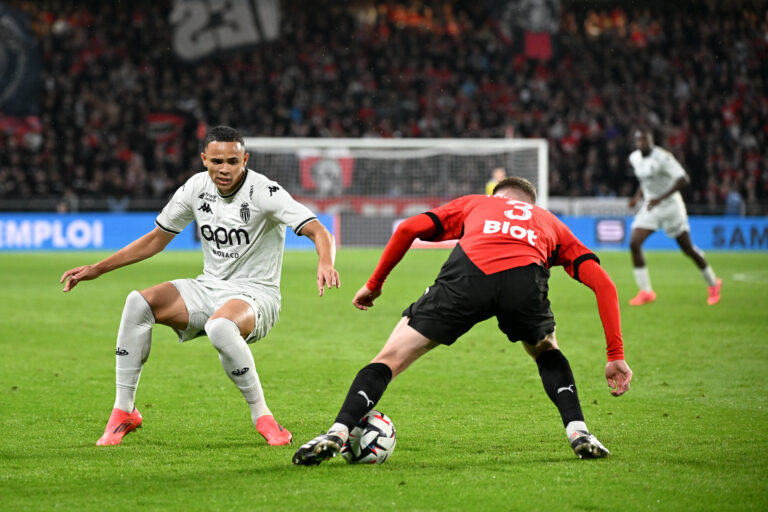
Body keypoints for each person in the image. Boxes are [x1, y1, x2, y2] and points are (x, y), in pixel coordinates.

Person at [292, 177, 632, 465]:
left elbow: (409, 228)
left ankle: (338, 432)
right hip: (524, 284)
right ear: (531, 203)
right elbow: (604, 284)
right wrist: (615, 355)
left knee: (389, 359)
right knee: (546, 349)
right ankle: (578, 431)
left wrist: (374, 285)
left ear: (496, 196)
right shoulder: (550, 222)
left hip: (468, 278)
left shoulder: (478, 204)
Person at [60, 126, 340, 447]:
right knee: (138, 303)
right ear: (204, 159)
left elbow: (320, 231)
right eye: (217, 161)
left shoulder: (264, 191)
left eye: (233, 161)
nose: (224, 169)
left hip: (256, 296)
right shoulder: (196, 188)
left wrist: (325, 261)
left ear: (245, 159)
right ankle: (124, 411)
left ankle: (263, 417)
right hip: (208, 288)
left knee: (220, 326)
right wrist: (98, 269)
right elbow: (156, 239)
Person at [627, 129, 721, 306]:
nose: (642, 144)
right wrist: (636, 197)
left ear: (651, 140)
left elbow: (683, 179)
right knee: (634, 242)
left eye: (645, 140)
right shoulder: (635, 158)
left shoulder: (663, 157)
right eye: (639, 141)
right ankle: (646, 291)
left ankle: (713, 284)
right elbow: (646, 179)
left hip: (671, 207)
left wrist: (660, 198)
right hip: (651, 206)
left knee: (687, 248)